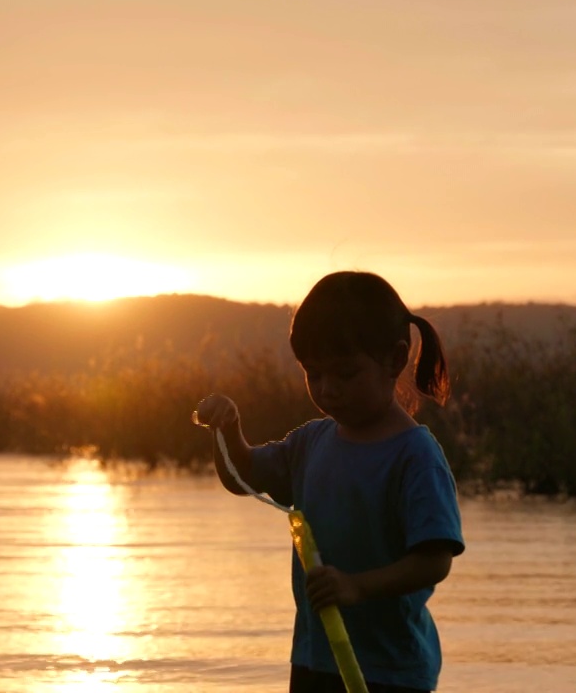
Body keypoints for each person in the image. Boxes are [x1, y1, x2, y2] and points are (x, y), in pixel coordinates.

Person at [193, 271, 465, 693]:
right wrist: (227, 432)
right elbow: (241, 477)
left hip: (390, 672)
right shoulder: (311, 442)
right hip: (315, 660)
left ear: (395, 360)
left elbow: (434, 560)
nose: (327, 389)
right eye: (313, 373)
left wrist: (356, 586)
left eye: (345, 374)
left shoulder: (415, 456)